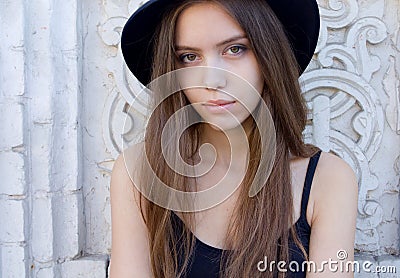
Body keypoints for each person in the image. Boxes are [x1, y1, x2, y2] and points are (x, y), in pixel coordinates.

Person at [109, 0, 358, 277]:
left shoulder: (327, 181)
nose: (212, 80)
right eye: (189, 57)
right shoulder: (139, 174)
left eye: (235, 49)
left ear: (270, 55)